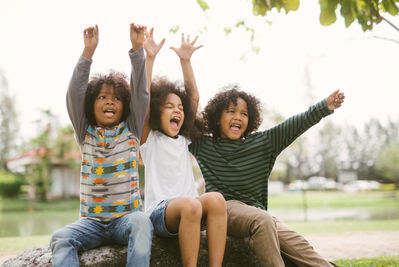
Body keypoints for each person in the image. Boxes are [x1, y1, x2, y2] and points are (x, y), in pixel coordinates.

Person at [189, 86, 345, 267]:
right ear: (217, 117)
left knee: (298, 244)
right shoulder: (205, 146)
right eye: (231, 111)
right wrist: (186, 63)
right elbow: (189, 114)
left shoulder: (264, 143)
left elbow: (295, 124)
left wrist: (324, 106)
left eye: (244, 114)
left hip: (258, 212)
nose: (238, 117)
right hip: (224, 209)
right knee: (262, 220)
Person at [50, 23, 153, 267]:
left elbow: (141, 93)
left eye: (117, 98)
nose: (110, 102)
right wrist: (88, 52)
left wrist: (138, 50)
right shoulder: (85, 132)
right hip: (91, 224)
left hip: (125, 220)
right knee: (60, 238)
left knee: (142, 221)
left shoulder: (132, 130)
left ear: (125, 105)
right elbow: (74, 93)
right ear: (91, 103)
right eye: (102, 97)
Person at [140, 29, 227, 267]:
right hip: (160, 213)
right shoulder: (151, 139)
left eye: (180, 107)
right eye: (169, 106)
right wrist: (149, 58)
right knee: (191, 204)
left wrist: (185, 61)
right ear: (158, 111)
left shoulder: (183, 139)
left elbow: (194, 97)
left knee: (217, 199)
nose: (177, 110)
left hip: (191, 209)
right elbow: (144, 101)